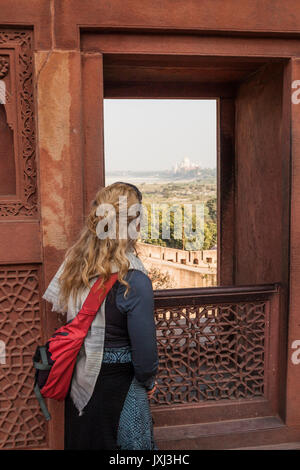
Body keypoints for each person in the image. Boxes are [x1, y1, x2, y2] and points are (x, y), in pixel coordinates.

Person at [42, 182, 159, 450]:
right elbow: (144, 352)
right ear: (134, 223)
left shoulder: (75, 265)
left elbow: (63, 307)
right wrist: (149, 379)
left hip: (80, 378)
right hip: (122, 383)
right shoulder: (134, 279)